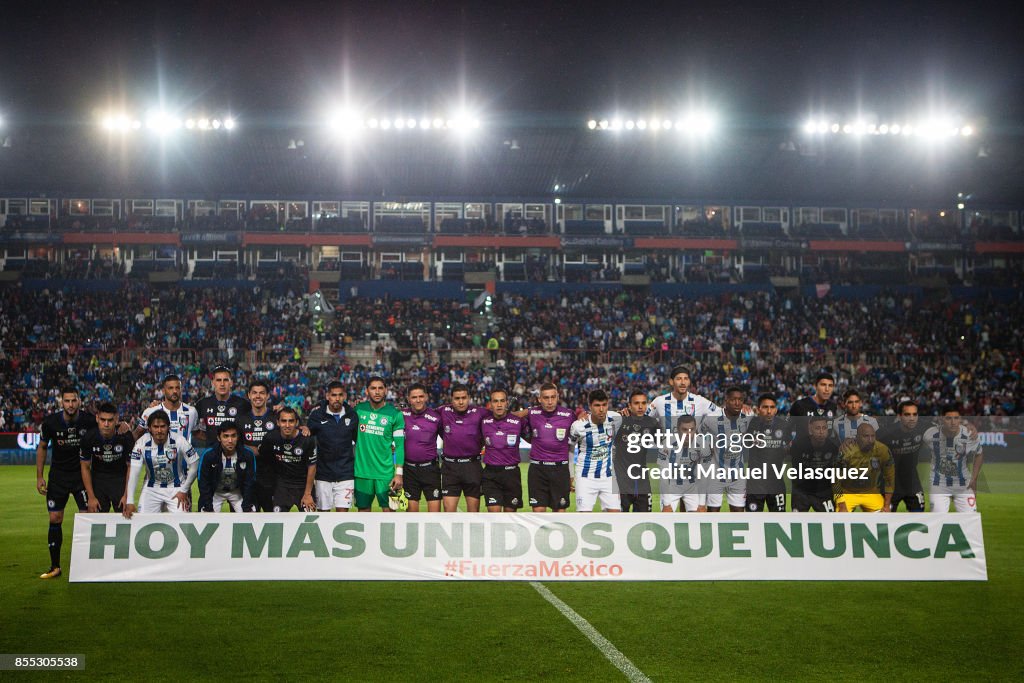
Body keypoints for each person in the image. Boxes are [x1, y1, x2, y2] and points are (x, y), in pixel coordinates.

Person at [37, 387, 97, 579]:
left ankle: (88, 567)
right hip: (58, 478)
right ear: (61, 402)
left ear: (79, 401)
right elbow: (42, 447)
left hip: (81, 477)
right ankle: (55, 566)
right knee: (55, 519)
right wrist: (39, 476)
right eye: (67, 401)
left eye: (74, 401)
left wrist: (122, 425)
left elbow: (106, 429)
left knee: (88, 517)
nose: (70, 405)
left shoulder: (89, 420)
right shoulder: (50, 423)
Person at [122, 411, 199, 518]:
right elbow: (134, 472)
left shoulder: (180, 441)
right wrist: (130, 501)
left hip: (176, 487)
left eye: (162, 426)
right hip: (151, 488)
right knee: (143, 521)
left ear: (168, 427)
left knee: (183, 522)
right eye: (155, 427)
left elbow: (194, 463)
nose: (159, 430)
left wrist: (184, 490)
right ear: (149, 428)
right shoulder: (141, 444)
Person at [521, 383, 576, 512]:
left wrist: (571, 473)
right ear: (539, 399)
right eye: (546, 398)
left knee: (560, 513)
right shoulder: (532, 413)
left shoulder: (569, 415)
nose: (550, 401)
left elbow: (573, 444)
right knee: (538, 513)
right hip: (537, 469)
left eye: (553, 397)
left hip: (560, 470)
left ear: (558, 397)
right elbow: (512, 417)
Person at [353, 377, 405, 512]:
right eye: (373, 388)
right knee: (363, 514)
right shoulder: (358, 410)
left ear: (386, 391)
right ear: (367, 391)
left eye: (380, 388)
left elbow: (399, 446)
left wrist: (399, 473)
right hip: (362, 473)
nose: (377, 392)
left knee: (390, 512)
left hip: (387, 474)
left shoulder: (396, 414)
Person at [306, 382, 358, 512]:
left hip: (346, 473)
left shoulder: (352, 415)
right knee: (323, 515)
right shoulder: (317, 415)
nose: (337, 398)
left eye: (340, 395)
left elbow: (359, 441)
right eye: (334, 395)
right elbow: (306, 437)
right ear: (328, 396)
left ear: (345, 396)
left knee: (342, 515)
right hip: (323, 474)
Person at [569, 389, 623, 512]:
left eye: (604, 405)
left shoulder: (616, 418)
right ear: (590, 407)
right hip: (585, 477)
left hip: (608, 477)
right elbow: (570, 450)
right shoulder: (578, 426)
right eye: (597, 405)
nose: (601, 409)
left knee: (615, 515)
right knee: (584, 516)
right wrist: (571, 474)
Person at [701, 385, 752, 512]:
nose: (737, 403)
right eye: (733, 399)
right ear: (726, 400)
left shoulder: (748, 416)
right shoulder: (712, 418)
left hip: (738, 475)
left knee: (738, 513)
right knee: (713, 513)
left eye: (740, 400)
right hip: (716, 474)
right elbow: (697, 435)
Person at [79, 401, 135, 514]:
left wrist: (127, 496)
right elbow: (85, 467)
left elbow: (131, 467)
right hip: (98, 480)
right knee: (95, 519)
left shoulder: (126, 437)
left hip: (119, 480)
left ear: (116, 419)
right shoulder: (89, 437)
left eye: (110, 420)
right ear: (97, 418)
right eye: (102, 420)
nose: (106, 424)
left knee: (125, 517)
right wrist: (91, 497)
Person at [439, 384, 487, 512]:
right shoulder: (443, 411)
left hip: (472, 467)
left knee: (473, 512)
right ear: (451, 399)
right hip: (450, 467)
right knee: (448, 512)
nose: (460, 402)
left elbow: (503, 416)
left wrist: (530, 411)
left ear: (469, 398)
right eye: (457, 398)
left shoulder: (480, 413)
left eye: (464, 398)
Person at [258, 407, 317, 512]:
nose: (287, 425)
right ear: (278, 422)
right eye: (284, 421)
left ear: (297, 422)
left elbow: (312, 466)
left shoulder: (307, 440)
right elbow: (265, 460)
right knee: (277, 521)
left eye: (291, 421)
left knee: (310, 519)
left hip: (303, 485)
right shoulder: (271, 438)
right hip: (282, 486)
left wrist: (307, 494)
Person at [925, 406, 983, 512]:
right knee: (937, 521)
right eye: (948, 418)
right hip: (939, 484)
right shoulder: (930, 434)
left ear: (960, 419)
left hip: (963, 484)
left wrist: (974, 479)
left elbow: (979, 454)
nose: (953, 422)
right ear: (942, 419)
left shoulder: (970, 434)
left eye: (956, 418)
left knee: (969, 521)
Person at [480, 388, 528, 512]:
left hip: (511, 474)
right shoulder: (483, 421)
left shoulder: (518, 422)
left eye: (502, 401)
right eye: (495, 401)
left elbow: (533, 437)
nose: (499, 404)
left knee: (509, 518)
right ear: (490, 404)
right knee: (494, 516)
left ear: (507, 403)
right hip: (491, 474)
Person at [612, 390, 660, 512]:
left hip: (642, 482)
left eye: (644, 403)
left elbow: (666, 444)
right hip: (621, 482)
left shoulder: (652, 423)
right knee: (619, 523)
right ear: (629, 405)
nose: (640, 407)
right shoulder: (619, 420)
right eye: (636, 403)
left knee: (644, 522)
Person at [877, 400, 927, 512]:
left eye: (915, 414)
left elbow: (943, 428)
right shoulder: (885, 433)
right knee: (885, 522)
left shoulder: (923, 428)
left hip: (912, 483)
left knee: (919, 519)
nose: (912, 418)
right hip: (890, 485)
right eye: (907, 414)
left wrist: (970, 426)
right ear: (899, 416)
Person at [197, 421, 258, 512]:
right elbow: (203, 482)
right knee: (206, 516)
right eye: (226, 436)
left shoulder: (247, 454)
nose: (230, 440)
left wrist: (246, 505)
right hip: (216, 492)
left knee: (249, 515)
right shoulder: (209, 455)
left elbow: (250, 482)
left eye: (233, 436)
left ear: (238, 437)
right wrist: (208, 505)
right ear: (219, 438)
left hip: (237, 492)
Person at [744, 393, 791, 512]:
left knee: (779, 520)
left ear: (776, 409)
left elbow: (788, 448)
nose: (769, 411)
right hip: (755, 485)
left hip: (776, 483)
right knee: (753, 522)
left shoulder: (784, 426)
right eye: (765, 407)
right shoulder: (750, 423)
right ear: (758, 409)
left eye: (772, 407)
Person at [401, 383, 443, 512]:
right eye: (414, 397)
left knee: (434, 514)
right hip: (409, 470)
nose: (418, 400)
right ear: (408, 399)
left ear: (426, 397)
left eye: (421, 396)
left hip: (430, 469)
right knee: (412, 515)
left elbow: (449, 438)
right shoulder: (401, 416)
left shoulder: (436, 417)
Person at [834, 423, 895, 512]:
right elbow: (835, 480)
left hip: (871, 492)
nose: (870, 440)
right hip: (848, 493)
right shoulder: (847, 451)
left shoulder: (883, 450)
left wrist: (887, 505)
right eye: (866, 436)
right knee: (840, 520)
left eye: (872, 436)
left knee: (884, 517)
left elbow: (890, 479)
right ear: (857, 437)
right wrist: (842, 505)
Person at [659, 415, 712, 512]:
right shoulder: (667, 444)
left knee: (697, 519)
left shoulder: (703, 445)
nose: (688, 433)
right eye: (684, 430)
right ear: (677, 429)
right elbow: (664, 475)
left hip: (692, 487)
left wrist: (702, 503)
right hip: (671, 486)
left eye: (692, 429)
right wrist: (666, 504)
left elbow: (704, 475)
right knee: (667, 519)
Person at [238, 380, 277, 511]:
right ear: (249, 395)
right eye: (254, 393)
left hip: (272, 477)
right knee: (249, 518)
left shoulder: (276, 418)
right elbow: (236, 445)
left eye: (262, 393)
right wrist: (256, 450)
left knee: (271, 519)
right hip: (248, 476)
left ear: (267, 396)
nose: (258, 396)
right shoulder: (241, 420)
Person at [646, 364, 720, 433]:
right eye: (679, 379)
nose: (683, 382)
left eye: (686, 379)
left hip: (692, 446)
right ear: (671, 382)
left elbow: (721, 414)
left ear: (689, 382)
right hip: (668, 446)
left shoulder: (700, 401)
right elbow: (643, 420)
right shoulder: (659, 402)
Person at [789, 415, 840, 512]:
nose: (821, 432)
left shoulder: (833, 446)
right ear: (810, 430)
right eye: (817, 428)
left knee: (829, 523)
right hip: (801, 493)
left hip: (824, 492)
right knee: (797, 523)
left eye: (824, 428)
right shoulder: (798, 445)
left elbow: (837, 471)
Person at [194, 365, 252, 447]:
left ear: (231, 383)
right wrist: (212, 439)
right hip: (212, 454)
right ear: (212, 383)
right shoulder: (202, 404)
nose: (222, 384)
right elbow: (194, 430)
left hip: (236, 454)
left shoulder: (243, 404)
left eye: (225, 380)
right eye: (218, 380)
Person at [134, 374, 200, 443]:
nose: (174, 391)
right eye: (170, 388)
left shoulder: (191, 411)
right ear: (163, 391)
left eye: (177, 388)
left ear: (181, 390)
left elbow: (197, 433)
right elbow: (137, 434)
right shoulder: (151, 411)